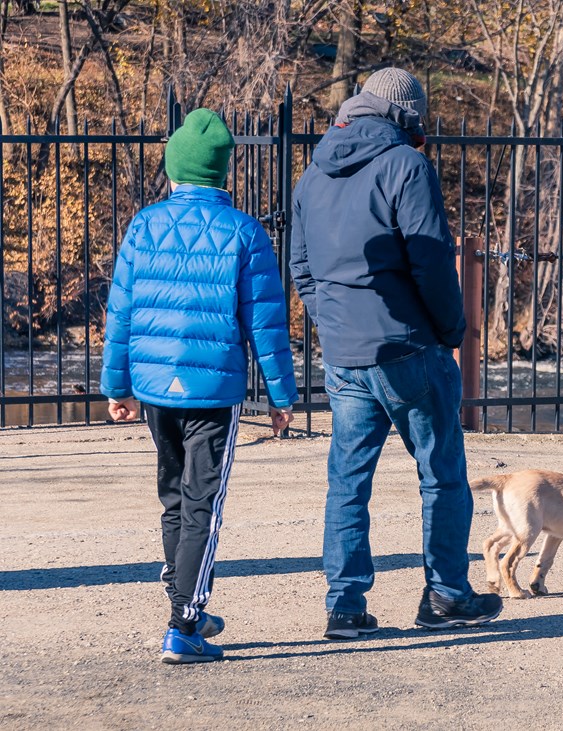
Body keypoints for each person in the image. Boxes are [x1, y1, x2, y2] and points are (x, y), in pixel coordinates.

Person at [290, 67, 502, 639]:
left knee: (348, 481)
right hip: (408, 346)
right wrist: (452, 330)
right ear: (406, 117)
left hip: (343, 353)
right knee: (441, 474)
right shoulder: (406, 166)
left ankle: (345, 606)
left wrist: (334, 324)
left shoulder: (311, 175)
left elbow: (303, 271)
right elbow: (431, 261)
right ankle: (446, 595)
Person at [101, 108, 297, 663]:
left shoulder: (144, 224)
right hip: (213, 392)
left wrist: (117, 386)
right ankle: (184, 622)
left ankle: (185, 603)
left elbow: (121, 312)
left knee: (172, 495)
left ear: (172, 168)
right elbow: (266, 322)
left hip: (155, 386)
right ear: (222, 173)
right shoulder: (245, 231)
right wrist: (281, 398)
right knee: (202, 504)